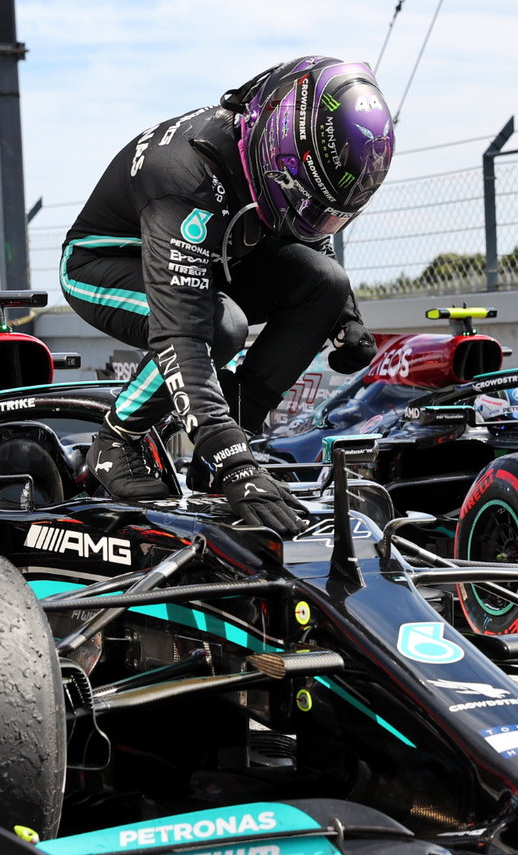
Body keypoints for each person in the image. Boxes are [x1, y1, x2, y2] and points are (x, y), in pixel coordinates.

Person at [59, 56, 395, 533]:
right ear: (278, 154)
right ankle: (118, 439)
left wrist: (344, 316)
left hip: (211, 257)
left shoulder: (272, 149)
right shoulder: (183, 177)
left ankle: (236, 434)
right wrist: (233, 463)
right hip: (102, 265)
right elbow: (183, 334)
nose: (314, 218)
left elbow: (304, 227)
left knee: (326, 284)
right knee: (221, 326)